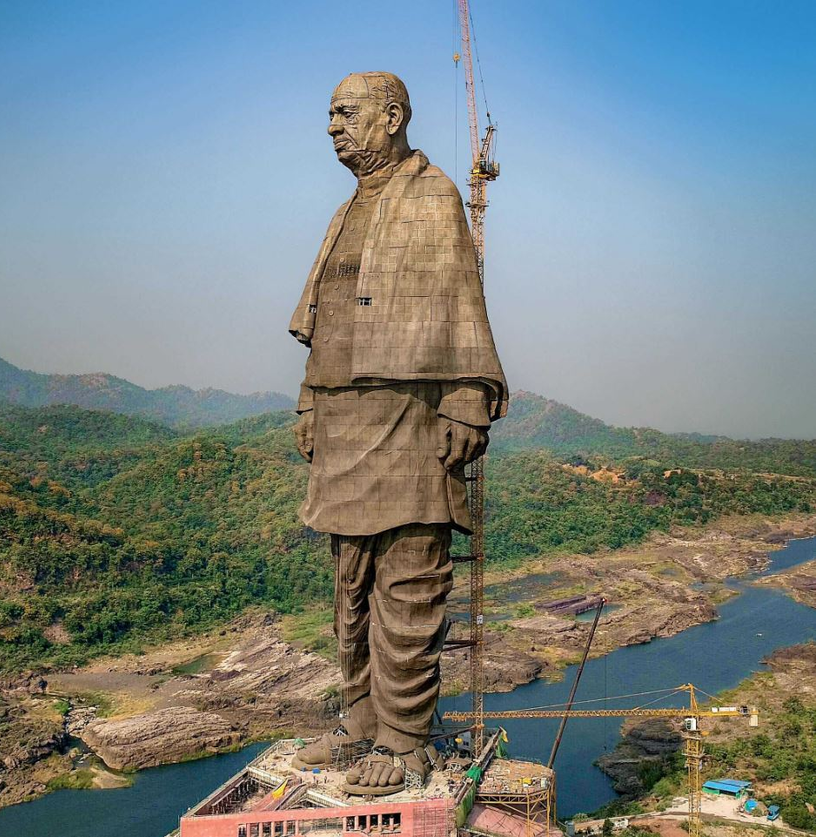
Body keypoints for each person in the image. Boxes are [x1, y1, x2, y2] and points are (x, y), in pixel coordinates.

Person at [288, 72, 506, 794]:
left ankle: (407, 740)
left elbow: (461, 302)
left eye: (344, 112)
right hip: (344, 424)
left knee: (410, 585)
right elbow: (327, 321)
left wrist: (468, 397)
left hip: (412, 420)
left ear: (391, 116)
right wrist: (309, 403)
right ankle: (359, 723)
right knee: (350, 588)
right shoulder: (348, 209)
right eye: (328, 113)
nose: (331, 126)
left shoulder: (434, 194)